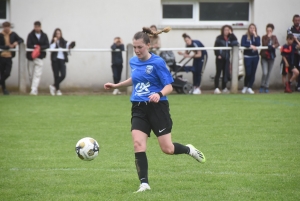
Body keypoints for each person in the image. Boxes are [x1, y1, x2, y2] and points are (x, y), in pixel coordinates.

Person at [104, 28, 206, 193]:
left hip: (158, 108)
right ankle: (144, 183)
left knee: (167, 149)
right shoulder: (133, 61)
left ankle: (188, 149)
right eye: (135, 47)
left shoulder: (158, 63)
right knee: (138, 144)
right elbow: (136, 79)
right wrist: (117, 85)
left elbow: (169, 86)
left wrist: (159, 94)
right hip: (138, 106)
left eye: (140, 47)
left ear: (148, 45)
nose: (137, 51)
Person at [49, 28, 75, 96]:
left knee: (63, 75)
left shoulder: (64, 42)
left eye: (59, 33)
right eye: (57, 33)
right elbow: (51, 49)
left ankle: (53, 86)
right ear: (55, 34)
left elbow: (70, 45)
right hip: (55, 60)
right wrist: (54, 42)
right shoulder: (52, 41)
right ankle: (57, 90)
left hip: (62, 59)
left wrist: (71, 45)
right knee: (56, 75)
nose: (58, 35)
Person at [214, 25, 238, 94]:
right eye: (225, 30)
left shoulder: (230, 38)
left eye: (228, 30)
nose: (226, 31)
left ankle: (224, 87)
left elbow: (236, 41)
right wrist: (218, 54)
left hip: (227, 58)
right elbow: (216, 47)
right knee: (218, 73)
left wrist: (231, 34)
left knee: (225, 73)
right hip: (220, 58)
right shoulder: (219, 38)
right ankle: (216, 88)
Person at [0, 21, 23, 95]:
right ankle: (4, 89)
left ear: (9, 27)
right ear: (3, 27)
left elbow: (21, 39)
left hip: (9, 56)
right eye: (5, 27)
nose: (6, 28)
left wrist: (16, 42)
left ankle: (1, 82)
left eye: (8, 27)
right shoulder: (0, 35)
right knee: (2, 72)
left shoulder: (13, 34)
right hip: (2, 56)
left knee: (7, 73)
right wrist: (7, 47)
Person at [26, 21, 49, 95]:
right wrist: (35, 47)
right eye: (35, 27)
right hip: (31, 57)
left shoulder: (44, 35)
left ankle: (34, 89)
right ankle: (33, 87)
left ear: (40, 27)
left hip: (39, 57)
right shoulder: (30, 35)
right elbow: (28, 45)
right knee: (31, 74)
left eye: (38, 27)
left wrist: (40, 48)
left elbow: (47, 45)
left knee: (37, 74)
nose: (36, 28)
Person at [259, 23, 280, 93]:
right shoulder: (264, 37)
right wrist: (268, 37)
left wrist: (274, 45)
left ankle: (266, 86)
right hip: (264, 56)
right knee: (265, 72)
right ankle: (262, 85)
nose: (269, 32)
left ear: (272, 30)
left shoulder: (274, 37)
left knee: (269, 72)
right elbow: (265, 44)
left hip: (271, 56)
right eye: (267, 30)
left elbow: (277, 44)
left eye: (270, 31)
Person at [241, 23, 261, 94]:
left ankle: (250, 87)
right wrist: (250, 46)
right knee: (248, 72)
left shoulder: (257, 36)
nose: (252, 29)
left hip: (255, 57)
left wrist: (255, 36)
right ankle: (245, 86)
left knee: (253, 72)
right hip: (247, 57)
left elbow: (258, 44)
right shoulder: (244, 36)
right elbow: (242, 44)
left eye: (253, 28)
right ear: (248, 29)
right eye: (251, 28)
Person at [287, 14, 300, 92]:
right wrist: (297, 44)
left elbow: (295, 39)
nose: (297, 22)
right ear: (293, 21)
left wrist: (297, 40)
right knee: (292, 70)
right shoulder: (290, 29)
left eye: (298, 20)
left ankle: (298, 85)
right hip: (293, 53)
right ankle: (289, 85)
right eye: (296, 20)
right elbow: (290, 39)